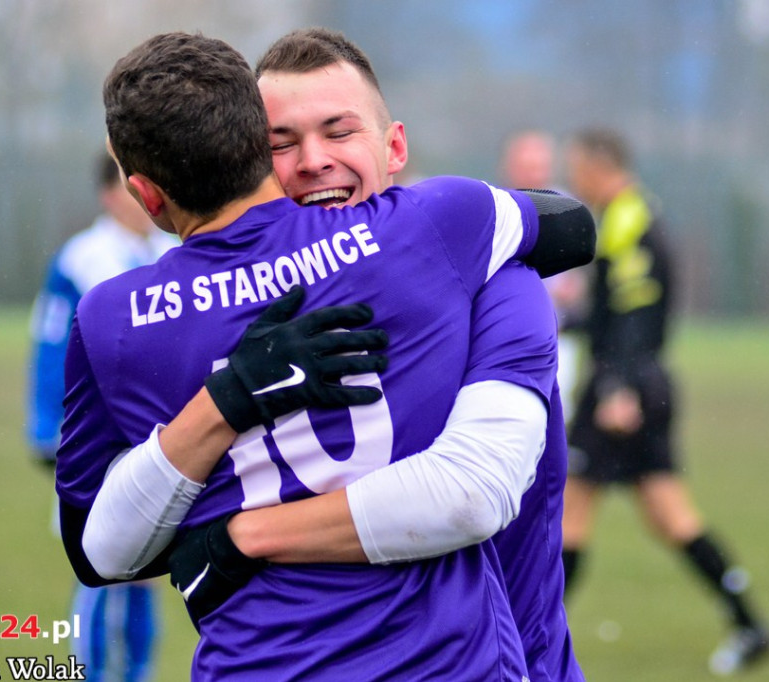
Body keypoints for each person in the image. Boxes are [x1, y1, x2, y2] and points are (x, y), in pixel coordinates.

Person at [55, 31, 592, 680]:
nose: (313, 161)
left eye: (339, 131)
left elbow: (471, 491)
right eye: (282, 142)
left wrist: (244, 536)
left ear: (394, 147)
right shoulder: (439, 229)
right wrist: (224, 403)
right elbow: (570, 223)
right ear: (251, 153)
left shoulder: (488, 269)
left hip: (516, 656)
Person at [560, 127, 769, 676]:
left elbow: (635, 315)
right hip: (644, 385)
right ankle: (749, 623)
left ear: (600, 166)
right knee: (672, 517)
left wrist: (617, 387)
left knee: (568, 513)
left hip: (622, 390)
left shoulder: (627, 220)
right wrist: (564, 319)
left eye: (577, 169)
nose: (573, 180)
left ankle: (530, 635)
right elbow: (614, 313)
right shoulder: (628, 215)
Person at [26, 153, 176, 682]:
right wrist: (45, 426)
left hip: (161, 436)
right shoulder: (81, 258)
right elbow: (51, 342)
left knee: (148, 572)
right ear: (110, 195)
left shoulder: (172, 249)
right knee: (100, 565)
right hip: (99, 434)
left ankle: (136, 673)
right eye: (134, 186)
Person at [500, 129, 589, 426]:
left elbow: (585, 274)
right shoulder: (494, 206)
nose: (534, 175)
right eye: (526, 167)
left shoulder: (568, 209)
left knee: (553, 422)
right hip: (504, 339)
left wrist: (575, 288)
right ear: (508, 167)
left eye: (540, 167)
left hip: (556, 337)